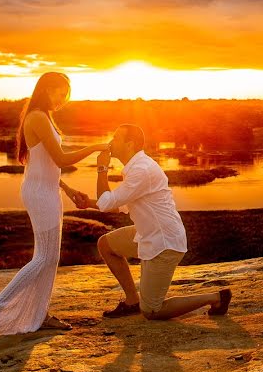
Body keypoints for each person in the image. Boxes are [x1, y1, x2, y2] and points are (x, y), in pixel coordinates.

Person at [0, 72, 107, 336]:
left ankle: (38, 314)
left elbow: (43, 164)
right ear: (47, 89)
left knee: (51, 258)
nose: (63, 99)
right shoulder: (37, 116)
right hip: (40, 193)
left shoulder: (43, 116)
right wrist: (95, 147)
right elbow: (59, 159)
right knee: (43, 258)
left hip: (47, 190)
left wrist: (67, 188)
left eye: (66, 94)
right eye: (60, 92)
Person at [66, 124, 232, 320]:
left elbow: (107, 201)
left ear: (130, 144)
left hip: (164, 242)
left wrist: (102, 168)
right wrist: (89, 204)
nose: (110, 141)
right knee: (106, 244)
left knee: (152, 310)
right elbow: (119, 204)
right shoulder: (136, 167)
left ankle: (215, 297)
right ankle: (131, 301)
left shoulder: (141, 170)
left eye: (116, 137)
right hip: (148, 233)